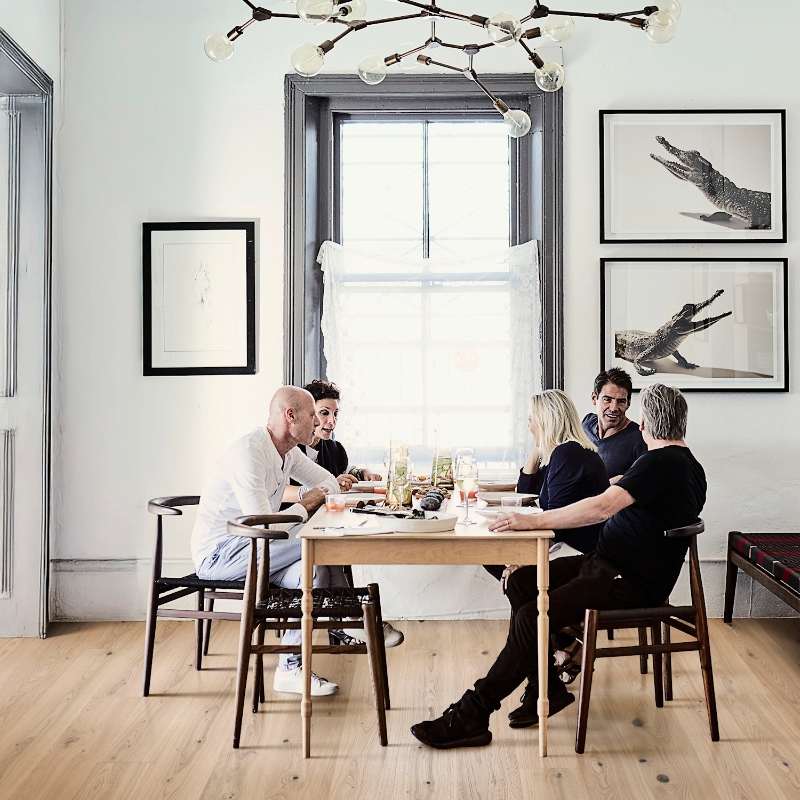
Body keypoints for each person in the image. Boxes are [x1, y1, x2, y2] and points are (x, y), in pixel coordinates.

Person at [412, 384, 705, 748]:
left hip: (623, 581)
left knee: (532, 616)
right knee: (520, 583)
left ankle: (473, 712)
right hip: (606, 565)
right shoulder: (688, 466)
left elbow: (602, 507)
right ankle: (546, 686)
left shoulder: (659, 463)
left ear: (644, 423)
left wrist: (532, 521)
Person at [191, 386, 344, 697]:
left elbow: (329, 482)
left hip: (260, 550)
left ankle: (289, 668)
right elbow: (264, 526)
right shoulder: (250, 452)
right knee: (322, 539)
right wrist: (307, 503)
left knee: (314, 572)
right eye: (312, 415)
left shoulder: (289, 452)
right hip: (221, 555)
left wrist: (313, 495)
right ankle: (352, 618)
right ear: (291, 416)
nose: (317, 422)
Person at [287, 379, 404, 648]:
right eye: (324, 412)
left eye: (335, 413)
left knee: (330, 553)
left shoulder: (334, 448)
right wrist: (319, 489)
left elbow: (341, 472)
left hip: (321, 524)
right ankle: (350, 620)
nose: (331, 421)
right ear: (307, 414)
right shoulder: (291, 450)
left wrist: (360, 473)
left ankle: (349, 621)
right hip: (293, 525)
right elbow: (283, 491)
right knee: (325, 556)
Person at [483, 390, 608, 580]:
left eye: (531, 421)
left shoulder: (568, 454)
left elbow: (557, 524)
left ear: (544, 422)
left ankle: (525, 594)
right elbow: (525, 492)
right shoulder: (564, 451)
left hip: (579, 552)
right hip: (568, 545)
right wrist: (538, 447)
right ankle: (522, 592)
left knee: (498, 559)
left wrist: (524, 562)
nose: (529, 427)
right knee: (492, 555)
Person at [582, 368, 647, 483]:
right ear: (594, 398)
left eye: (621, 401)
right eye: (607, 399)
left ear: (628, 403)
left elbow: (646, 483)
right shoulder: (587, 424)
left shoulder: (639, 439)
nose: (614, 408)